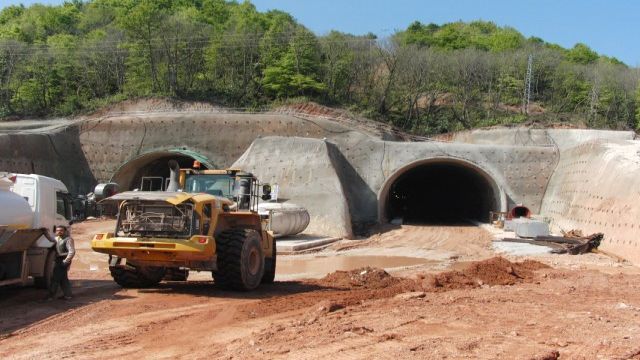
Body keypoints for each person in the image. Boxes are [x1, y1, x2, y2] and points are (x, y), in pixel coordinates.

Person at [47, 225, 75, 300]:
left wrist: (66, 261)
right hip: (58, 259)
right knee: (63, 278)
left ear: (65, 231)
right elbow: (50, 239)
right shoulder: (57, 238)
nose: (59, 231)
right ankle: (68, 295)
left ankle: (51, 296)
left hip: (63, 260)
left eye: (61, 230)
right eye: (57, 230)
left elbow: (72, 251)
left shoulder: (68, 239)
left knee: (55, 278)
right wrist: (44, 232)